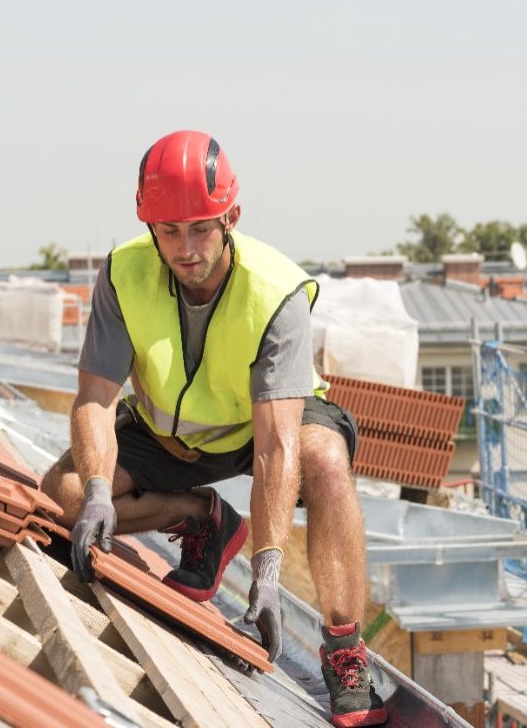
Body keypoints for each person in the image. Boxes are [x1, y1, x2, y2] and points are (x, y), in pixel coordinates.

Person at [41, 131, 387, 727]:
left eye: (200, 226)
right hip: (172, 434)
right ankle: (201, 517)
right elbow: (96, 398)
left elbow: (278, 446)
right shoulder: (123, 274)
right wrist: (99, 491)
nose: (185, 247)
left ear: (231, 216)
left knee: (325, 461)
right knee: (65, 497)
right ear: (147, 224)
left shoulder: (276, 292)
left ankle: (346, 651)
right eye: (168, 230)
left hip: (265, 427)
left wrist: (269, 572)